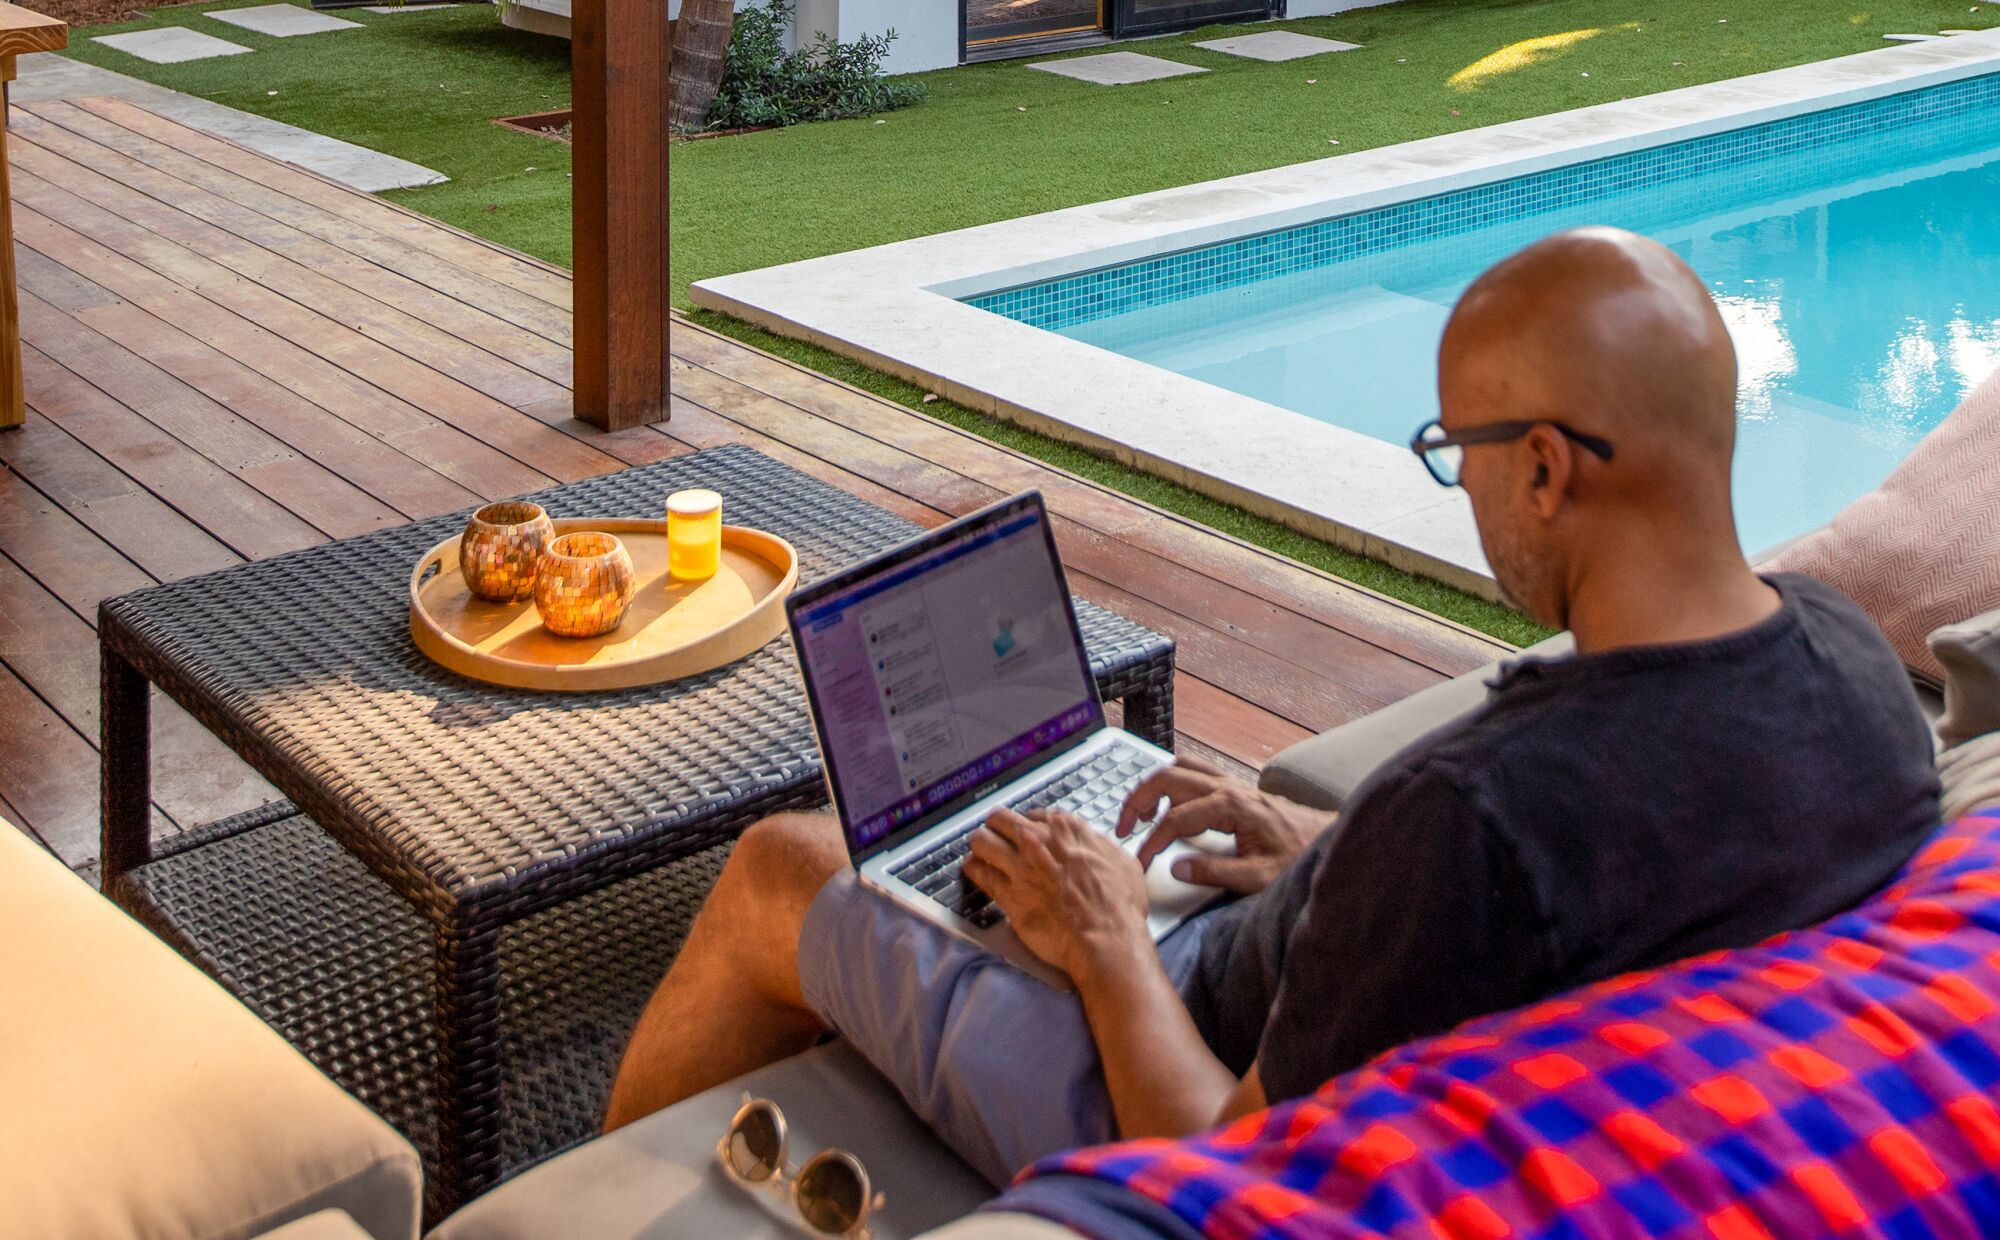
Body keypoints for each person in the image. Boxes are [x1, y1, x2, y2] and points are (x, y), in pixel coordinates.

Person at [606, 230, 1939, 1181]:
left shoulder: (1471, 825)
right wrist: (1332, 863)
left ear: (1543, 470)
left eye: (1454, 453)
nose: (1459, 491)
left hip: (1179, 1045)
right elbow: (1606, 876)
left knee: (783, 867)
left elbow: (1232, 1165)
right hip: (1327, 965)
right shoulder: (1860, 674)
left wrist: (1108, 937)